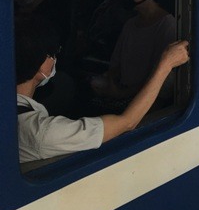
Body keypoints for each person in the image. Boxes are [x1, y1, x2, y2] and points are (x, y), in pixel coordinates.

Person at [15, 16, 189, 163]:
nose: (55, 58)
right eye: (53, 53)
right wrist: (166, 64)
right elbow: (127, 122)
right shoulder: (41, 133)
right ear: (41, 67)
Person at [91, 0, 177, 105]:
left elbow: (161, 75)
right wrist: (112, 82)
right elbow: (116, 63)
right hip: (124, 87)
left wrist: (122, 94)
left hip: (147, 96)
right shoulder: (130, 24)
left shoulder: (167, 25)